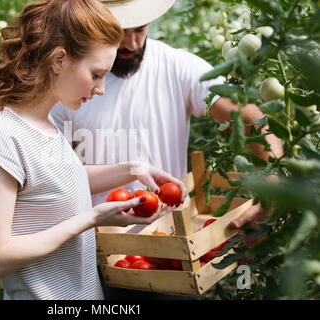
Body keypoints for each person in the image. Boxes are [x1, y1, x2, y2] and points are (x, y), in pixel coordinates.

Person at [50, 0, 284, 299]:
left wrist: (272, 185)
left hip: (172, 255)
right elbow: (54, 174)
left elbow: (253, 119)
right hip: (98, 258)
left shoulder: (177, 66)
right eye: (119, 31)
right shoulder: (71, 82)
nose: (131, 43)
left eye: (140, 29)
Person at [0, 0, 186, 300]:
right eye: (95, 74)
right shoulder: (3, 136)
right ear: (59, 61)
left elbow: (55, 184)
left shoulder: (46, 126)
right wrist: (92, 218)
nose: (101, 88)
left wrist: (133, 169)